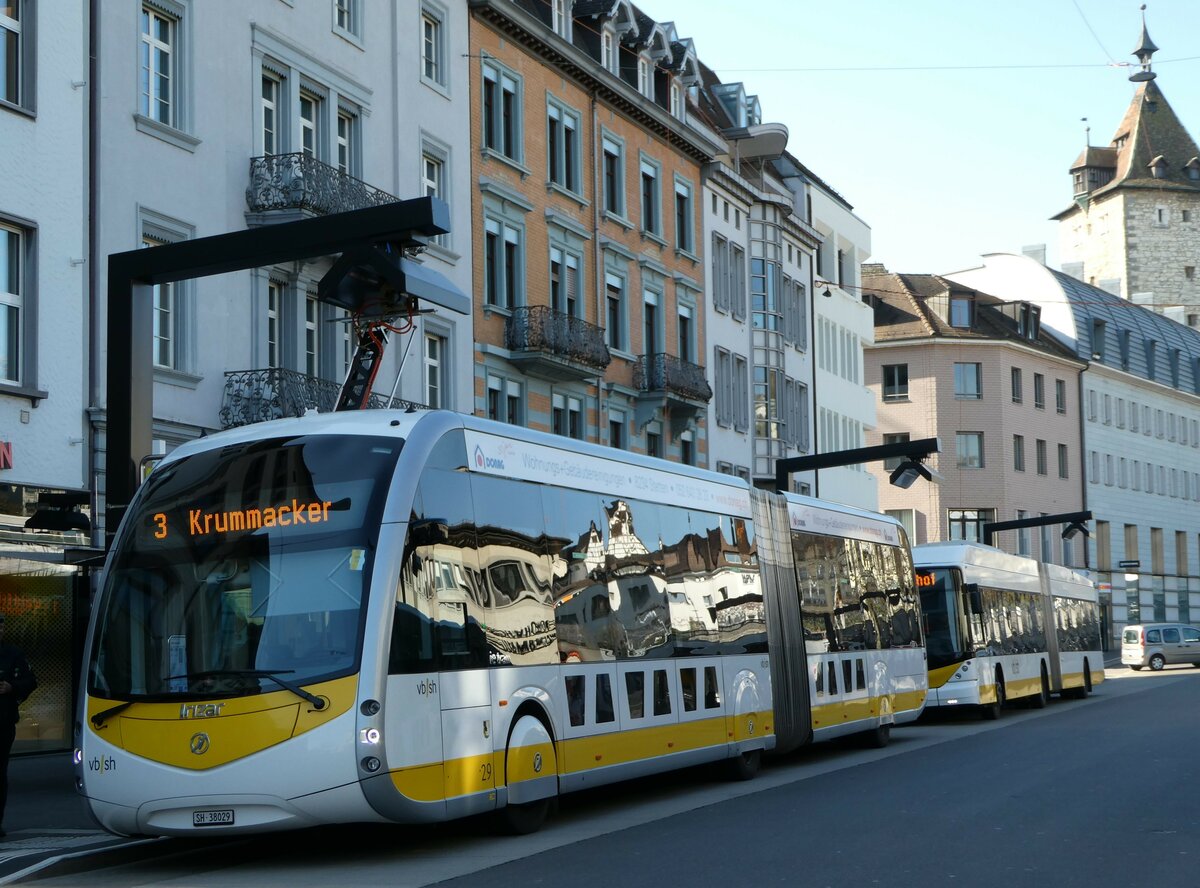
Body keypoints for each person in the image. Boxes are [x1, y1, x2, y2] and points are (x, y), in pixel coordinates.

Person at [0, 613, 36, 838]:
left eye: (1, 627)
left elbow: (31, 681)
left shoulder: (13, 654)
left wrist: (11, 687)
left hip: (2, 722)